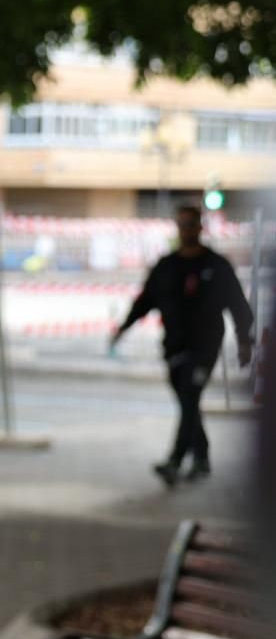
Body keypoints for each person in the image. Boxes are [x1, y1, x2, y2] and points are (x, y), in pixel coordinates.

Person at [110, 203, 254, 485]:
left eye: (191, 224)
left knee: (190, 396)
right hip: (174, 347)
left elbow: (238, 305)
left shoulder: (216, 265)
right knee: (189, 402)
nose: (186, 229)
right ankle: (202, 458)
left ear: (200, 227)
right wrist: (122, 329)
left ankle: (176, 460)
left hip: (205, 347)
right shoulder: (166, 266)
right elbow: (144, 301)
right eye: (181, 224)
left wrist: (244, 342)